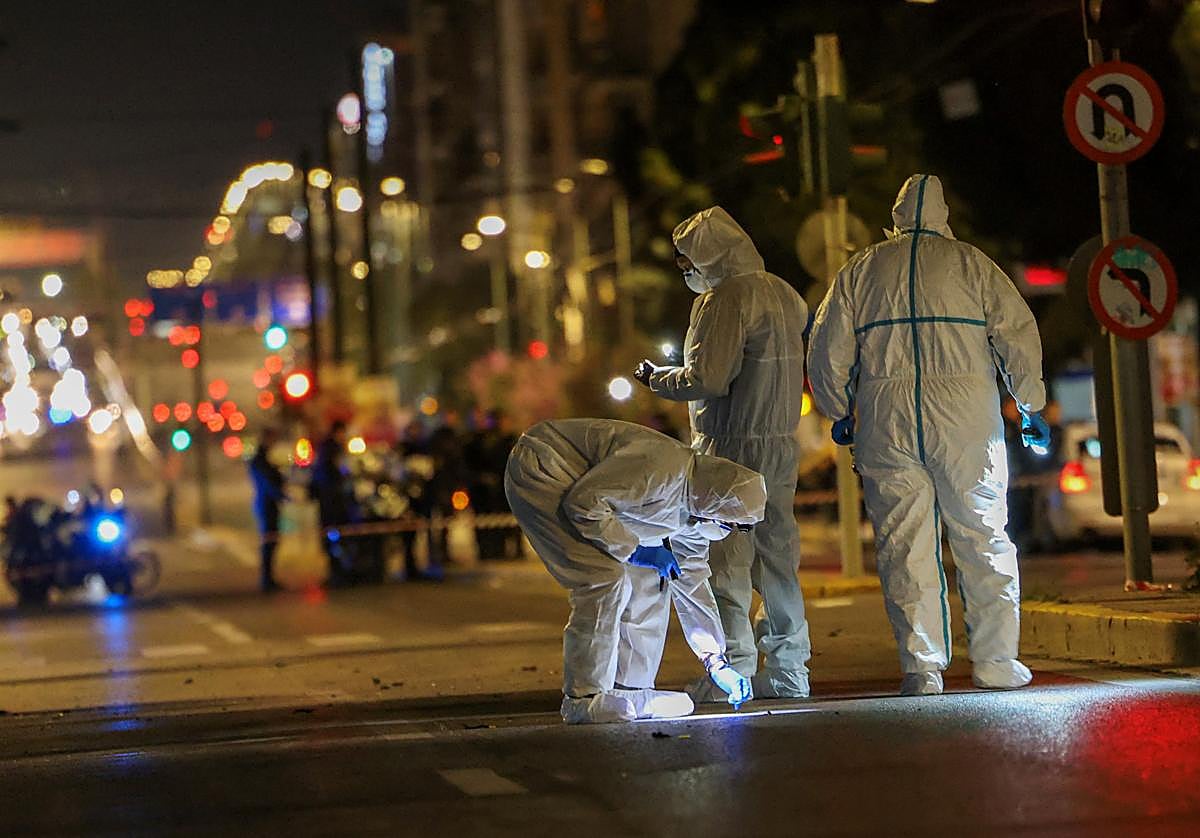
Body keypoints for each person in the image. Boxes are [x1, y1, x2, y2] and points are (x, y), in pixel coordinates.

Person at [806, 174, 1049, 696]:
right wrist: (1029, 403)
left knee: (904, 544)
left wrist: (838, 408)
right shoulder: (972, 264)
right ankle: (996, 662)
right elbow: (1017, 334)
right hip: (967, 423)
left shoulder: (861, 270)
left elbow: (827, 349)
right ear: (943, 215)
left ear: (895, 217)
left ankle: (922, 667)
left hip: (886, 421)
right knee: (983, 536)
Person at [634, 206, 812, 702]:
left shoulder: (724, 299)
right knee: (778, 560)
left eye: (687, 260)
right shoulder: (784, 293)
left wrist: (656, 378)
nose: (685, 270)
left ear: (709, 255)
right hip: (780, 444)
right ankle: (790, 670)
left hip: (730, 448)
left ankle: (735, 669)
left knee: (727, 561)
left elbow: (707, 378)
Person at [504, 418, 762, 724]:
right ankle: (584, 698)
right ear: (716, 504)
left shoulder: (695, 510)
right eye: (732, 524)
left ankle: (631, 689)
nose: (730, 532)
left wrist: (716, 662)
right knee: (603, 578)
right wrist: (636, 551)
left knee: (655, 577)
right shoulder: (662, 470)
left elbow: (689, 580)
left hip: (585, 492)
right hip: (544, 469)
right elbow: (584, 504)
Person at [310, 420, 352, 586]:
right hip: (331, 503)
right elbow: (337, 474)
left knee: (333, 537)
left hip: (329, 501)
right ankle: (337, 573)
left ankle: (338, 571)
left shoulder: (328, 449)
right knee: (334, 537)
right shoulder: (332, 450)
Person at [248, 427, 286, 592]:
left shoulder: (261, 458)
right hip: (266, 505)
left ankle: (268, 578)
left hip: (266, 504)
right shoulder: (260, 459)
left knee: (271, 542)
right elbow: (268, 483)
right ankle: (267, 579)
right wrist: (281, 495)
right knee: (269, 542)